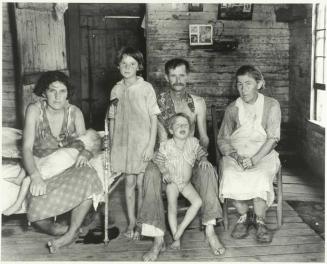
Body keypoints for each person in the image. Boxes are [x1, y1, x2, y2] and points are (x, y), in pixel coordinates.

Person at [138, 58, 225, 261]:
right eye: (173, 75)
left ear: (188, 76)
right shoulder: (158, 102)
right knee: (150, 173)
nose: (178, 80)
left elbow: (203, 136)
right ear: (167, 77)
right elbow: (157, 138)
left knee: (208, 170)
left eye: (182, 75)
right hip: (165, 156)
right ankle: (158, 239)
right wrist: (163, 163)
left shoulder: (197, 102)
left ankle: (210, 231)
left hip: (190, 155)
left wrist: (201, 157)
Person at [22, 70, 103, 253]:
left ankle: (69, 235)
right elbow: (26, 148)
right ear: (44, 92)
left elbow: (88, 144)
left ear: (68, 93)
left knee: (89, 175)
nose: (58, 97)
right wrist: (35, 177)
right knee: (38, 219)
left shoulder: (75, 113)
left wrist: (86, 154)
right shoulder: (34, 110)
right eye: (52, 91)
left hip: (69, 166)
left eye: (63, 91)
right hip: (44, 169)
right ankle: (69, 230)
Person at [217, 65, 281, 243]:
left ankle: (260, 220)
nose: (243, 89)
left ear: (259, 84)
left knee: (260, 174)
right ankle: (243, 217)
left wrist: (255, 159)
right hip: (238, 153)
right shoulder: (232, 108)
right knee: (230, 173)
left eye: (248, 83)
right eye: (239, 84)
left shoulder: (272, 105)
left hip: (264, 152)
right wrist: (236, 157)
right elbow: (223, 139)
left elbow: (273, 137)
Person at [108, 47, 160, 240]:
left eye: (132, 64)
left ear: (139, 66)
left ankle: (140, 221)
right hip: (123, 144)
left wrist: (150, 146)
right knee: (128, 182)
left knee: (140, 183)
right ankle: (131, 220)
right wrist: (114, 145)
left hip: (141, 143)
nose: (127, 67)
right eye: (124, 63)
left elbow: (154, 119)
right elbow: (112, 118)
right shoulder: (116, 89)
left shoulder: (146, 88)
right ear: (118, 66)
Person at [3, 129, 101, 216]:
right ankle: (19, 179)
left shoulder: (81, 147)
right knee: (30, 158)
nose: (80, 134)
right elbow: (60, 144)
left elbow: (86, 154)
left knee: (28, 180)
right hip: (53, 158)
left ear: (90, 143)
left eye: (84, 134)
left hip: (58, 163)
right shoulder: (76, 144)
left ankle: (18, 204)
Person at [155, 113, 213, 250]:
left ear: (190, 129)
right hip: (172, 183)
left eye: (185, 125)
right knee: (172, 206)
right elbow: (159, 160)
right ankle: (177, 238)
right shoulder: (166, 145)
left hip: (186, 184)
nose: (182, 127)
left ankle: (181, 228)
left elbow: (201, 153)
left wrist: (204, 160)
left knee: (198, 202)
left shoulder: (193, 142)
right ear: (171, 130)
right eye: (178, 125)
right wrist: (164, 172)